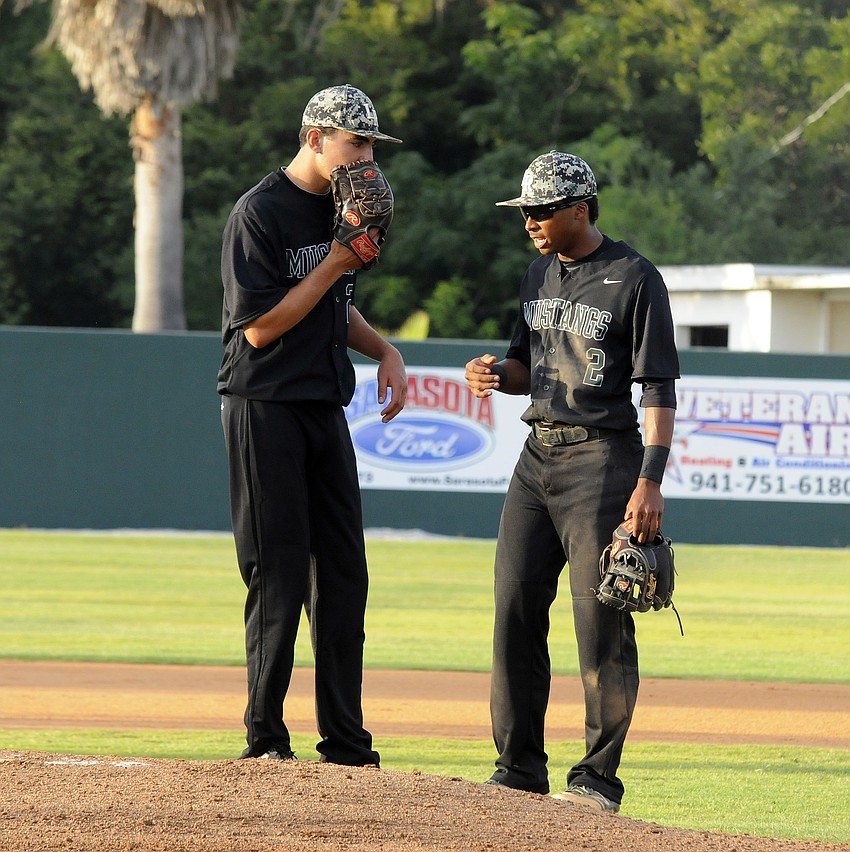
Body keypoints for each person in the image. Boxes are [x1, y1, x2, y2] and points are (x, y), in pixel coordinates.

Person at [464, 151, 679, 811]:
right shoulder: (537, 275)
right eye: (525, 211)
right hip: (537, 460)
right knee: (513, 611)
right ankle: (519, 767)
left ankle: (596, 781)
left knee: (601, 621)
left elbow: (658, 388)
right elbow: (527, 363)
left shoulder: (634, 277)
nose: (530, 221)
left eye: (542, 210)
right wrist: (498, 374)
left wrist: (649, 480)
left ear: (580, 208)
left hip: (602, 462)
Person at [218, 84, 407, 766]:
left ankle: (347, 743)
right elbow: (263, 328)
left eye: (371, 147)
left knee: (343, 578)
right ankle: (266, 739)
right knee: (279, 577)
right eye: (355, 143)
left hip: (324, 406)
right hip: (263, 404)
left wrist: (384, 349)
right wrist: (335, 258)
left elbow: (333, 305)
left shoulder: (343, 208)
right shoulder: (259, 212)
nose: (366, 159)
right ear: (314, 138)